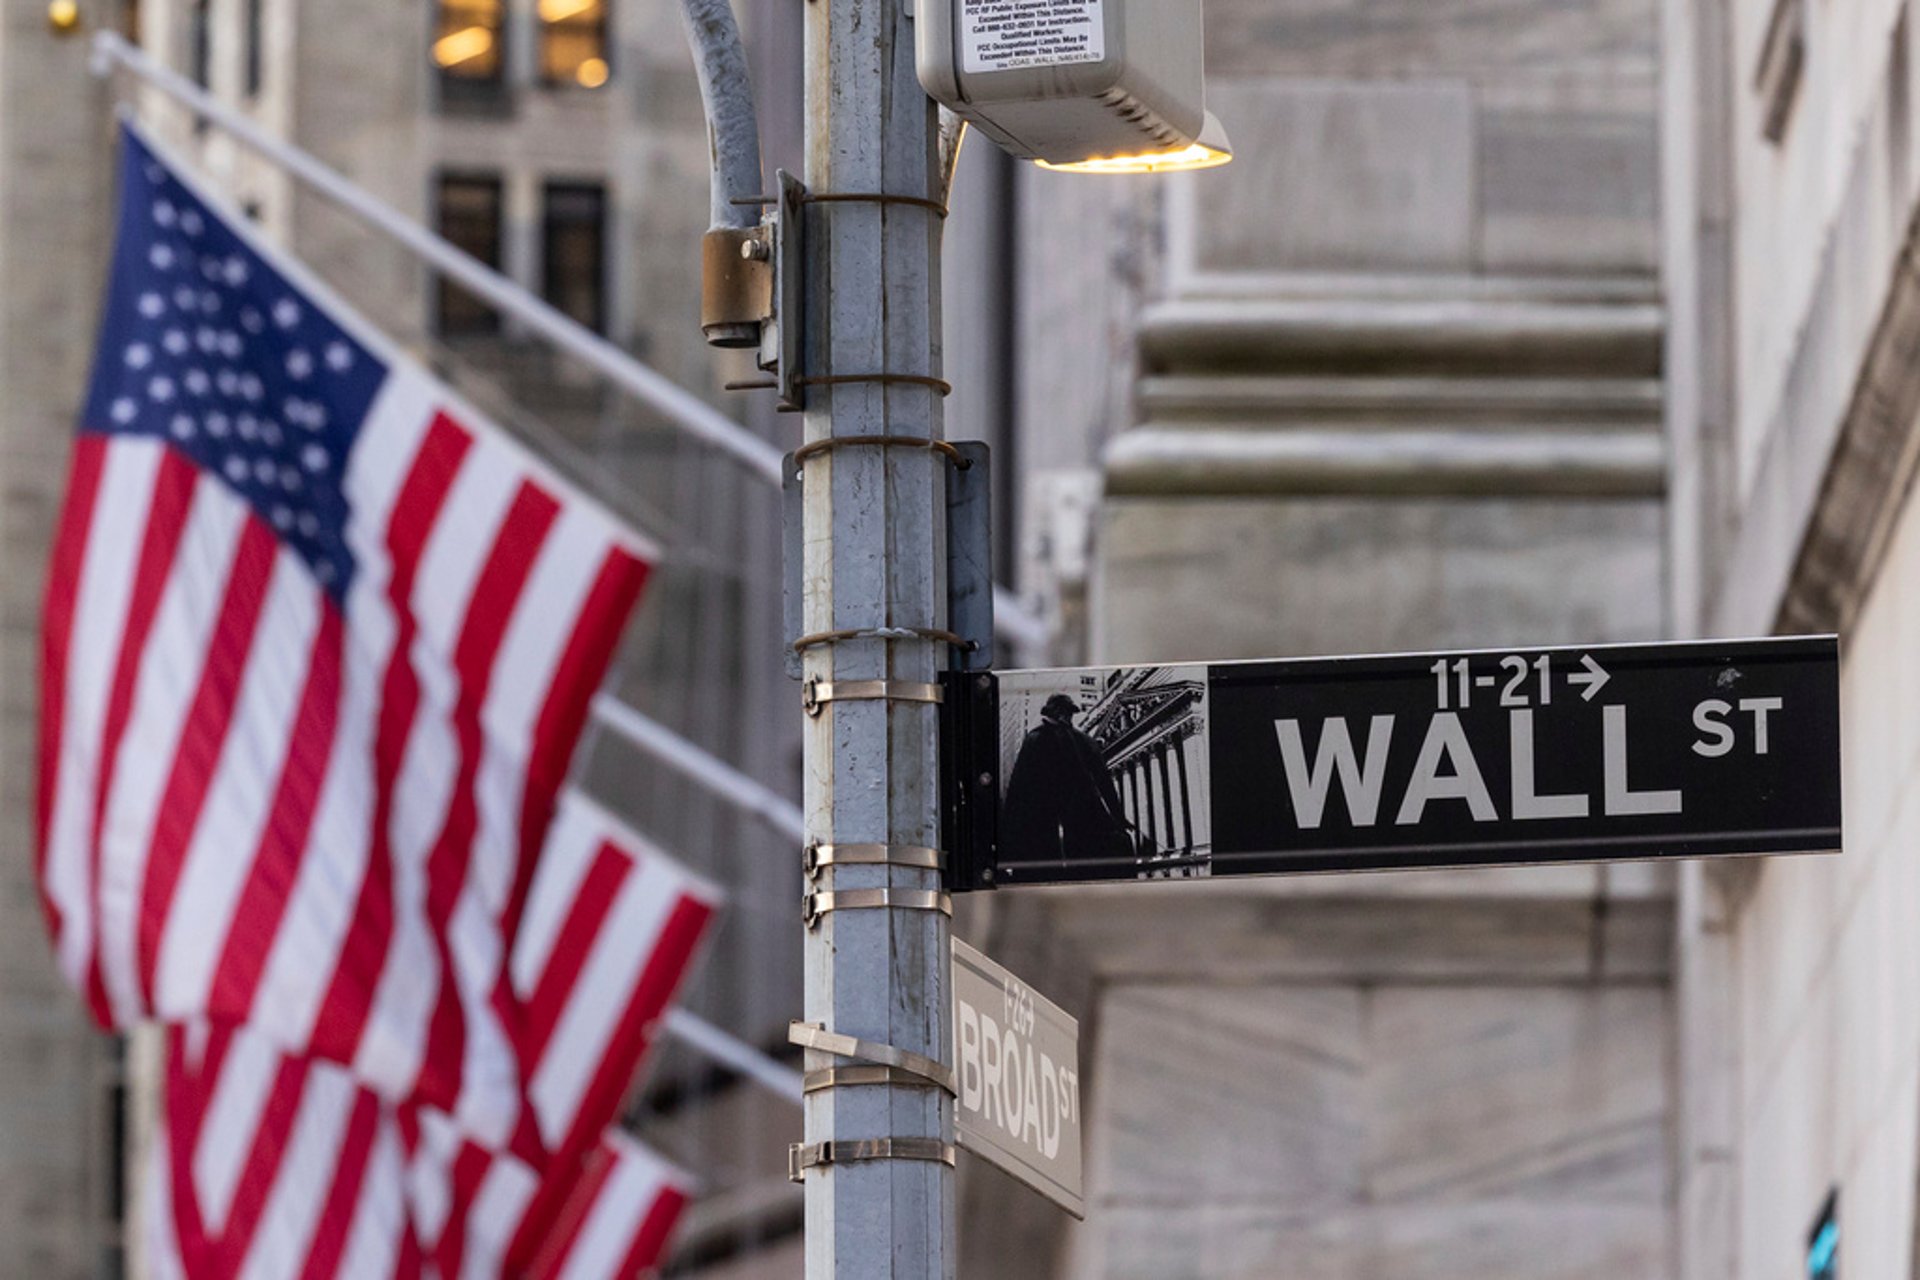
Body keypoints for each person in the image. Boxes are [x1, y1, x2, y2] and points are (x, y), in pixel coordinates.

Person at [1001, 694, 1143, 867]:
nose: (1066, 717)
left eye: (1067, 713)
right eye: (1064, 712)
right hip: (1062, 819)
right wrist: (1118, 816)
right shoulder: (1079, 741)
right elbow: (1105, 784)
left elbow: (1018, 788)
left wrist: (1119, 817)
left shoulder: (1039, 738)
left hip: (1065, 820)